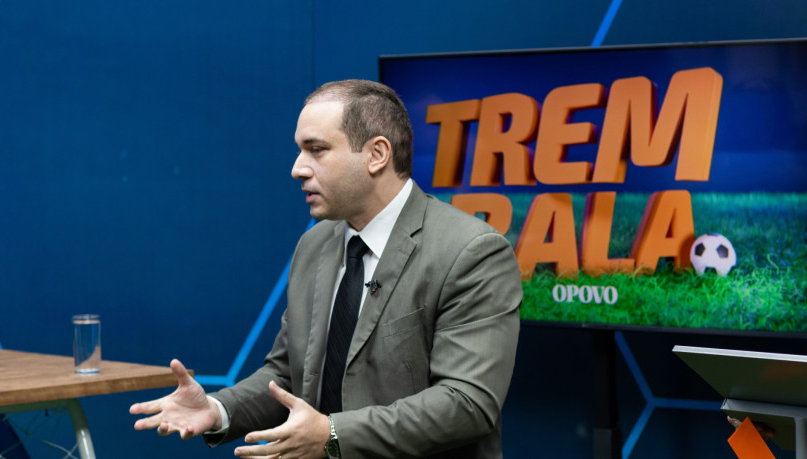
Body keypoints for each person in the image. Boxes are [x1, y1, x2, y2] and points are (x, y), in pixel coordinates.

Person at [130, 79, 523, 458]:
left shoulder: (472, 252)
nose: (297, 168)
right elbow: (288, 375)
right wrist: (217, 410)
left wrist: (334, 436)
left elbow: (467, 404)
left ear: (377, 155)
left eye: (316, 149)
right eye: (301, 150)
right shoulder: (315, 244)